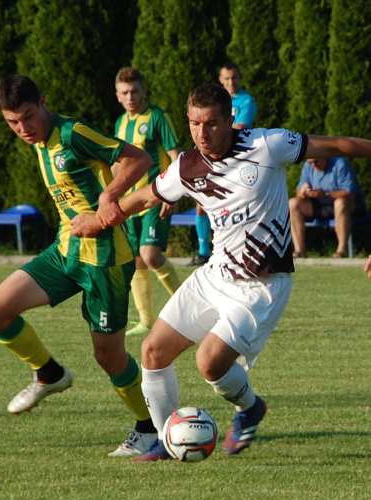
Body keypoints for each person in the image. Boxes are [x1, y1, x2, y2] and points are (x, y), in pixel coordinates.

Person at [72, 81, 371, 461]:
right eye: (195, 124)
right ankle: (167, 443)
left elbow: (340, 145)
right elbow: (147, 195)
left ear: (230, 120)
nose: (202, 133)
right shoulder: (187, 167)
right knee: (152, 351)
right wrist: (100, 221)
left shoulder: (268, 145)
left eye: (212, 123)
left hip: (261, 286)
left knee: (209, 361)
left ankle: (250, 408)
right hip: (215, 276)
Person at [0, 74, 158, 457]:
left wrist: (109, 197)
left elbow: (138, 158)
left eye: (28, 116)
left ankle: (150, 429)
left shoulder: (73, 132)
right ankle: (49, 373)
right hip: (66, 252)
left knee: (108, 357)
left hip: (106, 260)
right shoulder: (40, 143)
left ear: (43, 102)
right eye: (13, 122)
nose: (23, 128)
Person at [113, 67, 182, 337]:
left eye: (135, 91)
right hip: (130, 204)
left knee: (150, 254)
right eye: (125, 93)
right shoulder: (120, 124)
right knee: (136, 261)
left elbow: (176, 156)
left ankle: (187, 305)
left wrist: (173, 192)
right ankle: (146, 320)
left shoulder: (157, 117)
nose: (130, 97)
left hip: (155, 197)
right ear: (117, 96)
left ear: (143, 91)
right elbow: (119, 165)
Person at [190, 62, 258, 266]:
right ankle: (204, 251)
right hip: (215, 157)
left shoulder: (246, 100)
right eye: (226, 78)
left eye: (234, 77)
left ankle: (244, 249)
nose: (231, 82)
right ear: (220, 80)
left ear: (240, 78)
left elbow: (238, 127)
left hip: (238, 160)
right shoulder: (216, 102)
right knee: (202, 203)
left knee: (238, 205)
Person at [289, 157, 364, 258]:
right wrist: (303, 193)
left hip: (345, 206)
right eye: (310, 163)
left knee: (340, 203)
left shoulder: (340, 163)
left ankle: (341, 250)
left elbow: (349, 192)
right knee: (293, 203)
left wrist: (325, 194)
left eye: (316, 161)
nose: (313, 165)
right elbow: (299, 191)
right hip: (319, 206)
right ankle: (299, 251)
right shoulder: (308, 166)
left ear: (324, 155)